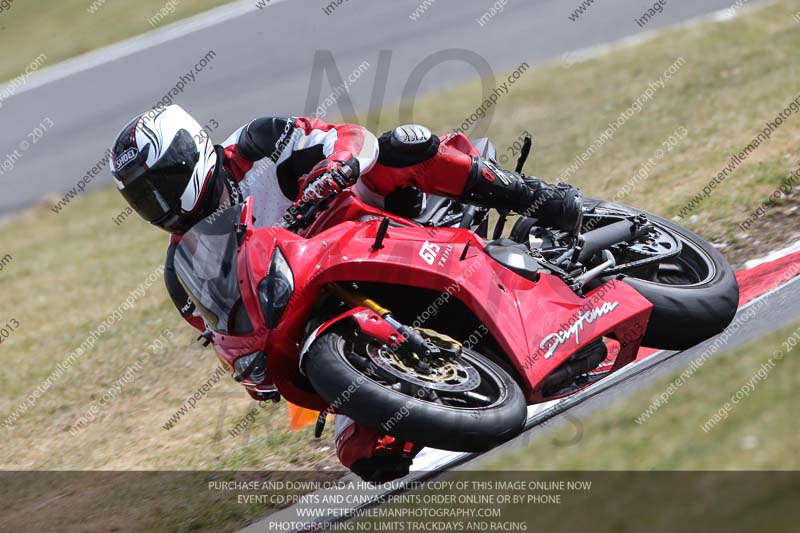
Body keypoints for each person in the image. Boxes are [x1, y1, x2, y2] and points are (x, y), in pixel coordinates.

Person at [109, 104, 583, 482]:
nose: (160, 204)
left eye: (164, 184)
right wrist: (252, 367)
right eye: (143, 197)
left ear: (193, 152)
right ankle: (461, 382)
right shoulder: (184, 269)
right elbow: (225, 333)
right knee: (365, 456)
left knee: (402, 146)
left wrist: (336, 168)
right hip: (327, 307)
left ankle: (537, 196)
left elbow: (349, 137)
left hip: (372, 220)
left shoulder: (258, 145)